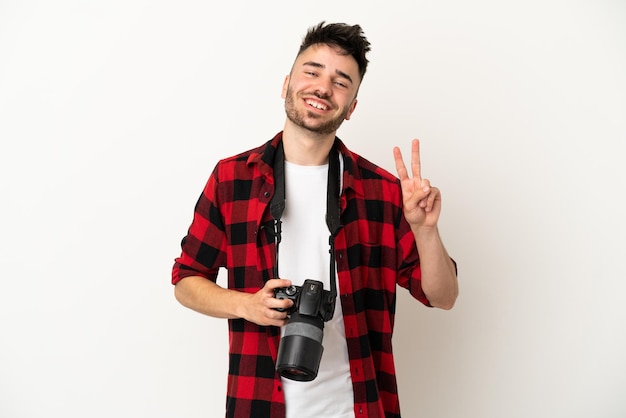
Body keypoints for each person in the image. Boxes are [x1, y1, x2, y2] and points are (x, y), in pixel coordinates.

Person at [172, 21, 458, 418]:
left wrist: (426, 231)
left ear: (352, 106)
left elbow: (443, 297)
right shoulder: (232, 178)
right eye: (312, 72)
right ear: (287, 82)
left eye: (341, 81)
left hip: (357, 408)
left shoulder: (383, 190)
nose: (323, 88)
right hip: (258, 404)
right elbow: (186, 280)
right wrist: (247, 305)